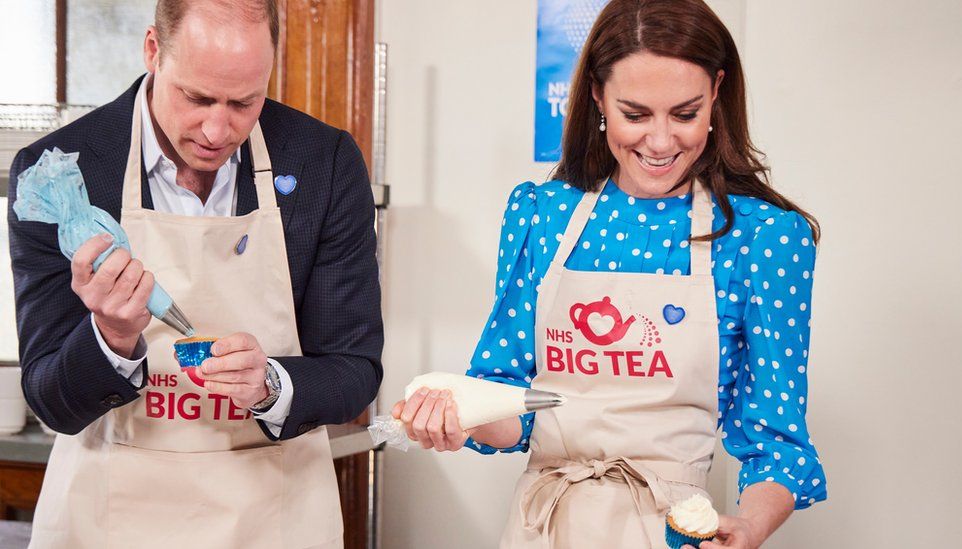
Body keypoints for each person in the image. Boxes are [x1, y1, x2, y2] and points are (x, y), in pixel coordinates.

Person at [392, 0, 826, 547]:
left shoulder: (763, 237)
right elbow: (508, 400)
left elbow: (776, 438)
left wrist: (753, 524)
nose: (662, 141)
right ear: (598, 95)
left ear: (717, 92)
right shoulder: (541, 215)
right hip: (542, 527)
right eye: (636, 114)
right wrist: (457, 417)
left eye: (685, 114)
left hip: (670, 531)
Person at [7, 1, 382, 547]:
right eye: (198, 97)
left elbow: (355, 369)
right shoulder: (63, 174)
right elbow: (50, 400)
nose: (216, 128)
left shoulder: (322, 163)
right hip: (111, 521)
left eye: (244, 102)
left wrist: (271, 384)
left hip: (272, 520)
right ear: (153, 51)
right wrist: (110, 337)